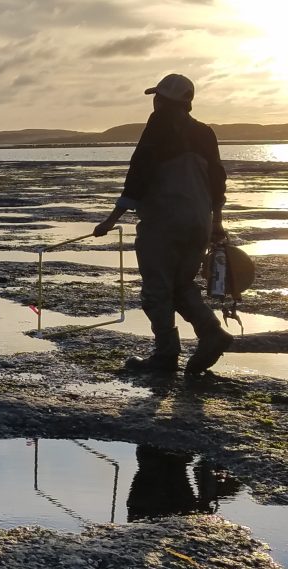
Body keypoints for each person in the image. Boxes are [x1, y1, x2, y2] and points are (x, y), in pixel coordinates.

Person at [94, 73, 233, 375]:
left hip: (164, 220)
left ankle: (166, 355)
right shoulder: (205, 132)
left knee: (157, 289)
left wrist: (111, 219)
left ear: (164, 100)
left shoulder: (158, 126)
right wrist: (216, 223)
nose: (155, 102)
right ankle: (211, 332)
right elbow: (217, 181)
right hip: (198, 220)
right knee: (182, 284)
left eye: (157, 97)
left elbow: (138, 174)